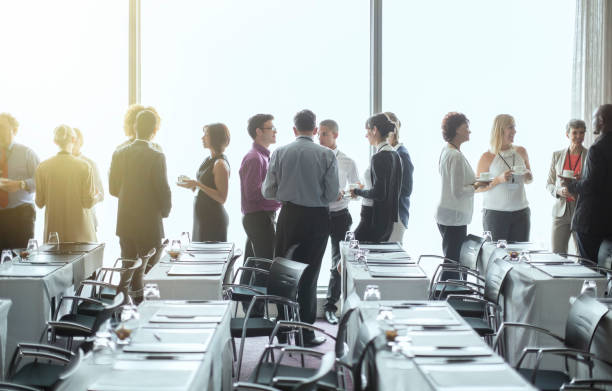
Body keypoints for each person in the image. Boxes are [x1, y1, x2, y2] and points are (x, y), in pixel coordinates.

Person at [262, 109, 339, 347]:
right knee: (310, 275)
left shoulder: (280, 152)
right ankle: (306, 334)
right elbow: (332, 194)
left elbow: (268, 191)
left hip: (289, 215)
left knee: (284, 274)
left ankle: (283, 331)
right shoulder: (327, 155)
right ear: (315, 130)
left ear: (294, 130)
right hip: (316, 219)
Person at [110, 109, 171, 302]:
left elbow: (113, 188)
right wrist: (165, 211)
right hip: (150, 223)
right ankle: (149, 308)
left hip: (126, 222)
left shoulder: (119, 153)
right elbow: (163, 189)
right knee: (151, 272)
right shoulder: (157, 156)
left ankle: (123, 309)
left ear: (135, 127)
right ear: (154, 129)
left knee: (127, 269)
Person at [317, 119, 359, 325]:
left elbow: (357, 190)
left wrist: (344, 195)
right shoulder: (313, 157)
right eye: (319, 133)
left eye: (325, 133)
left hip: (340, 216)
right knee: (312, 260)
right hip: (317, 215)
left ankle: (330, 307)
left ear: (335, 135)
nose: (320, 137)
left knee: (337, 263)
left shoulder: (347, 161)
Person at [435, 113, 487, 266]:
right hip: (454, 216)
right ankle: (446, 290)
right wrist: (477, 185)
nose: (469, 131)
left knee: (452, 260)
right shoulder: (455, 156)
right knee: (453, 264)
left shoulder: (447, 151)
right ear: (457, 130)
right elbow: (457, 191)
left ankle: (447, 289)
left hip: (448, 213)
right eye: (466, 128)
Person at [563, 104, 612, 261]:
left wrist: (571, 185)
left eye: (593, 118)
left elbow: (591, 185)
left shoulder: (596, 148)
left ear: (601, 121)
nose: (592, 122)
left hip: (591, 222)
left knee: (588, 269)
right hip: (608, 222)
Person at [476, 114, 533, 242]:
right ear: (500, 130)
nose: (515, 131)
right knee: (497, 257)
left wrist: (528, 176)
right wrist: (498, 180)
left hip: (521, 213)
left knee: (520, 257)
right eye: (511, 127)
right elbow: (477, 188)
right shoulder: (487, 157)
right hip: (495, 215)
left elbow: (529, 180)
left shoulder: (521, 151)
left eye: (514, 127)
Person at [35, 125, 96, 242]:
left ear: (54, 141)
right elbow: (88, 203)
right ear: (74, 140)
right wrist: (96, 196)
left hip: (53, 234)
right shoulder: (84, 166)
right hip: (80, 232)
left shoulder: (42, 167)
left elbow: (39, 203)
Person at [351, 113, 402, 243]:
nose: (366, 135)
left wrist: (357, 191)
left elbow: (379, 193)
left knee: (348, 250)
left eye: (367, 131)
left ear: (375, 130)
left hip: (372, 219)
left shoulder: (378, 158)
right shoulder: (395, 155)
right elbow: (395, 190)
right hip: (387, 221)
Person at [179, 123, 230, 242]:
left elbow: (222, 198)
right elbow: (207, 186)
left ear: (215, 138)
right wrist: (192, 185)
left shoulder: (220, 164)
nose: (202, 138)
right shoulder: (208, 159)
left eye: (206, 135)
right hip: (202, 218)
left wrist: (198, 184)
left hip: (213, 220)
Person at [239, 114, 281, 260]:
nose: (275, 131)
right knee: (265, 266)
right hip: (259, 219)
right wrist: (281, 200)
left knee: (252, 266)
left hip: (259, 218)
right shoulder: (255, 158)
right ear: (259, 131)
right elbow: (253, 194)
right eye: (271, 128)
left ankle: (244, 284)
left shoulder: (262, 156)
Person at [546, 119, 587, 254]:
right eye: (574, 133)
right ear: (567, 135)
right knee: (557, 254)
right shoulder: (557, 155)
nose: (578, 137)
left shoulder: (590, 155)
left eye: (581, 133)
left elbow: (593, 184)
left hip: (581, 209)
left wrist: (580, 184)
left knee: (582, 254)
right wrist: (559, 191)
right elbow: (549, 184)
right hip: (561, 212)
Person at [0, 113, 39, 251]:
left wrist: (20, 184)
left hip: (21, 215)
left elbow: (40, 182)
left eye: (2, 127)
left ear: (14, 130)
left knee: (21, 260)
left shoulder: (27, 153)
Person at [385, 112, 414, 243]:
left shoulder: (402, 154)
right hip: (390, 214)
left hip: (397, 215)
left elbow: (407, 188)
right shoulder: (390, 152)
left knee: (393, 256)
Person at [72, 127, 104, 233]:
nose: (73, 143)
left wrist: (93, 196)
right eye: (70, 140)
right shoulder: (57, 165)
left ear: (81, 141)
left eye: (75, 140)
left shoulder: (90, 164)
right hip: (66, 220)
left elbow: (101, 194)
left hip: (87, 220)